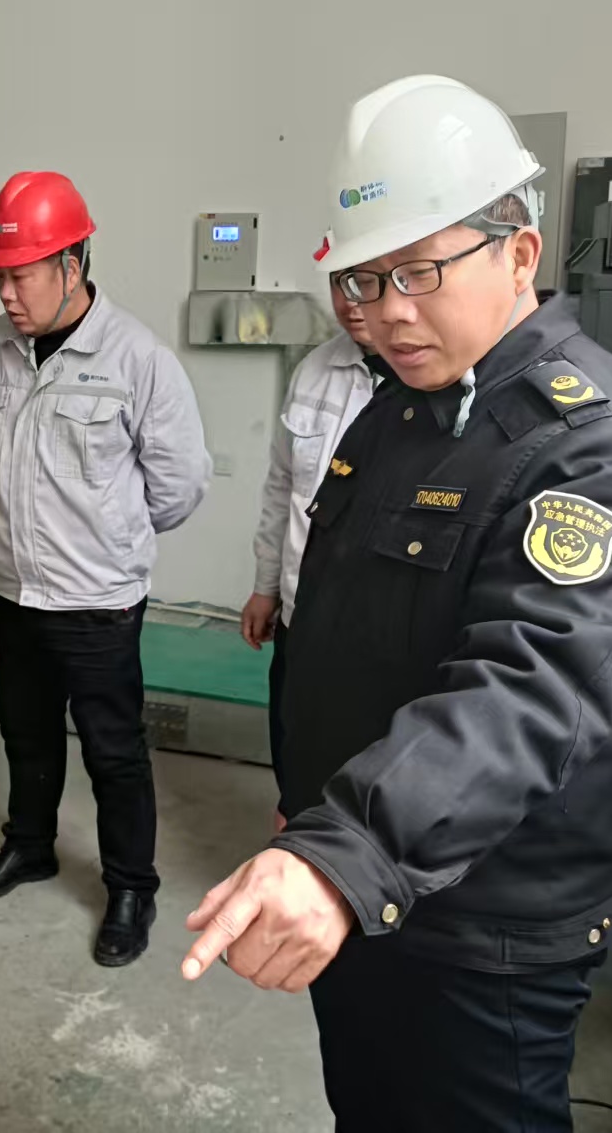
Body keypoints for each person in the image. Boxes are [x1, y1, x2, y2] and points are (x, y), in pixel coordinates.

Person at [181, 76, 612, 1131]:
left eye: (418, 270)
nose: (386, 311)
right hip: (371, 885)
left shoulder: (594, 449)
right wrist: (313, 807)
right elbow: (342, 628)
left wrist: (346, 849)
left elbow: (526, 693)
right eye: (365, 279)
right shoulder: (403, 407)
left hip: (484, 934)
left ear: (518, 252)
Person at [0, 171, 211, 967]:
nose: (8, 293)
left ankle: (132, 886)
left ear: (72, 264)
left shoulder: (137, 358)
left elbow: (180, 483)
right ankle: (30, 845)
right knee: (24, 730)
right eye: (0, 275)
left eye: (23, 274)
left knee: (114, 750)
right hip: (12, 586)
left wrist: (109, 540)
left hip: (97, 599)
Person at [239, 281, 375, 823]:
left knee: (365, 777)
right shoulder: (316, 370)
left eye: (368, 281)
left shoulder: (439, 379)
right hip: (301, 613)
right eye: (341, 284)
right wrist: (266, 586)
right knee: (294, 754)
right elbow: (282, 487)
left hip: (376, 631)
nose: (352, 301)